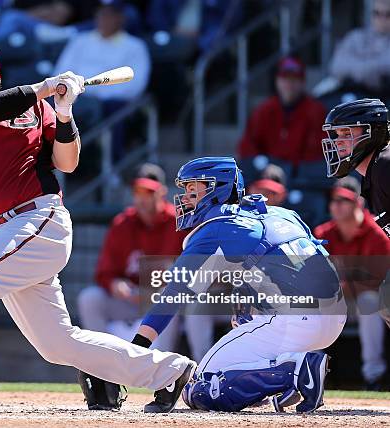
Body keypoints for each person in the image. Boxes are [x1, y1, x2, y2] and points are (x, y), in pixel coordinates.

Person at [0, 37, 196, 414]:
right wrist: (43, 88)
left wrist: (63, 114)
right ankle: (170, 371)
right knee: (57, 344)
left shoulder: (36, 109)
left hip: (38, 220)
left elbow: (67, 162)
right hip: (0, 234)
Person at [130, 156, 347, 413]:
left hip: (295, 319)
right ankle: (270, 384)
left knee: (199, 389)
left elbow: (173, 296)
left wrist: (132, 352)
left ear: (217, 188)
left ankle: (295, 371)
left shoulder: (216, 228)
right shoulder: (283, 213)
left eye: (192, 189)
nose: (185, 198)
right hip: (334, 315)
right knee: (243, 307)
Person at [77, 163, 186, 352]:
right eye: (138, 192)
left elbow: (192, 271)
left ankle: (164, 373)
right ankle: (104, 367)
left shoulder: (179, 222)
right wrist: (115, 284)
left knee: (169, 300)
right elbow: (105, 272)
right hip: (131, 299)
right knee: (90, 298)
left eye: (148, 193)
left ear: (162, 193)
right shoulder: (123, 224)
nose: (142, 199)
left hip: (163, 300)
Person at [314, 178, 390, 390]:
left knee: (370, 302)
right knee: (315, 305)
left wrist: (345, 283)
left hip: (363, 301)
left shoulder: (377, 234)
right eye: (334, 200)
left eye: (343, 200)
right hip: (335, 300)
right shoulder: (323, 234)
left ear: (358, 203)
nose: (336, 205)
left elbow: (377, 282)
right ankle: (312, 373)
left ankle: (373, 376)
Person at [53, 0, 151, 159]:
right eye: (102, 14)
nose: (105, 19)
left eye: (111, 15)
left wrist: (94, 93)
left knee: (113, 111)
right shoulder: (80, 41)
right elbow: (61, 73)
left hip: (111, 103)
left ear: (121, 18)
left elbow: (135, 86)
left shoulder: (135, 46)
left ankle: (109, 168)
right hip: (78, 98)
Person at [238, 56, 327, 168]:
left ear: (302, 82)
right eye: (285, 79)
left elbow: (316, 154)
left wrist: (290, 169)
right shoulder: (264, 110)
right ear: (277, 81)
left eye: (294, 79)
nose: (289, 84)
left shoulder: (315, 111)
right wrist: (263, 167)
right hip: (268, 175)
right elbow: (247, 147)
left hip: (301, 179)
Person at [322, 98, 390, 236]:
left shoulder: (385, 167)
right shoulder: (374, 170)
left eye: (347, 134)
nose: (337, 142)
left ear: (372, 133)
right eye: (337, 135)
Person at [328, 0, 390, 98]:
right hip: (352, 92)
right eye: (377, 13)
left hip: (382, 96)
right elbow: (336, 66)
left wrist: (355, 65)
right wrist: (371, 69)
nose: (382, 18)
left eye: (387, 14)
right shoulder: (355, 36)